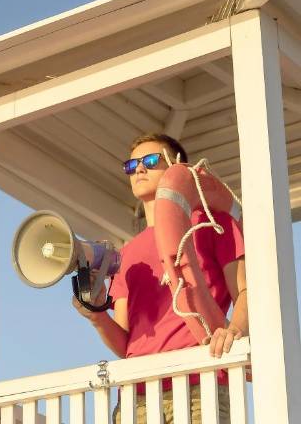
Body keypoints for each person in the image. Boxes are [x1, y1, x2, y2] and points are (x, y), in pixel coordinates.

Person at [72, 133, 249, 424]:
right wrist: (96, 316)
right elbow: (127, 342)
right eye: (131, 166)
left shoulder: (214, 224)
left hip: (198, 381)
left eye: (151, 161)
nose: (139, 169)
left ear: (178, 165)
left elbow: (245, 289)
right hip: (137, 393)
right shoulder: (127, 253)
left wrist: (234, 330)